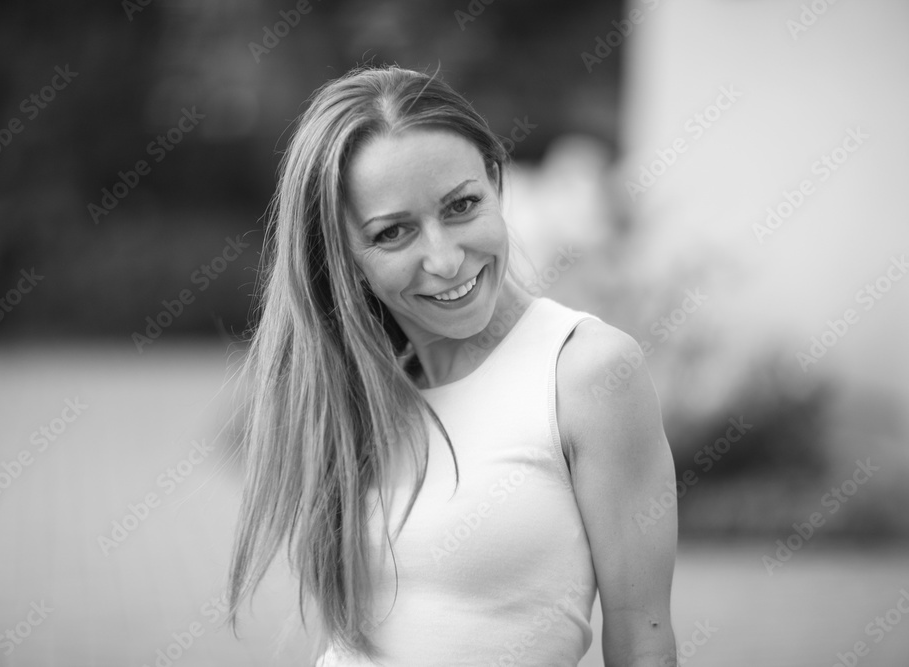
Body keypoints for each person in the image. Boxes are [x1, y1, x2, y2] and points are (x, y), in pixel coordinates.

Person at [226, 64, 678, 666]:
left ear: (496, 182)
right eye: (393, 234)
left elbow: (643, 641)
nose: (443, 259)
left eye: (462, 205)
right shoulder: (349, 381)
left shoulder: (587, 373)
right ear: (340, 251)